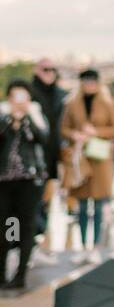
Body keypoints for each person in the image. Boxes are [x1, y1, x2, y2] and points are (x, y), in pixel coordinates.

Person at [61, 70, 114, 263]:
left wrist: (96, 131)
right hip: (80, 159)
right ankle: (82, 246)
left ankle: (95, 246)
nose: (89, 85)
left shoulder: (107, 103)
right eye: (86, 81)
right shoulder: (72, 104)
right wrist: (75, 134)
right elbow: (64, 128)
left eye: (92, 81)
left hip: (99, 158)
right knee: (81, 204)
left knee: (97, 204)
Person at [0, 81, 49, 293]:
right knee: (7, 225)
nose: (19, 101)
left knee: (26, 226)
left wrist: (27, 117)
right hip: (4, 181)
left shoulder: (35, 115)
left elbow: (43, 139)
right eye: (15, 97)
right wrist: (9, 119)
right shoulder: (3, 115)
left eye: (23, 97)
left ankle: (20, 275)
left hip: (29, 181)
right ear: (9, 98)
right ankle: (2, 273)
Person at [30, 58, 66, 245]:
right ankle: (28, 239)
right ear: (36, 70)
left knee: (46, 199)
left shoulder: (61, 94)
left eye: (52, 69)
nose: (49, 73)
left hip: (53, 154)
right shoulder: (29, 92)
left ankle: (40, 237)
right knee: (32, 199)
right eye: (45, 69)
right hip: (33, 154)